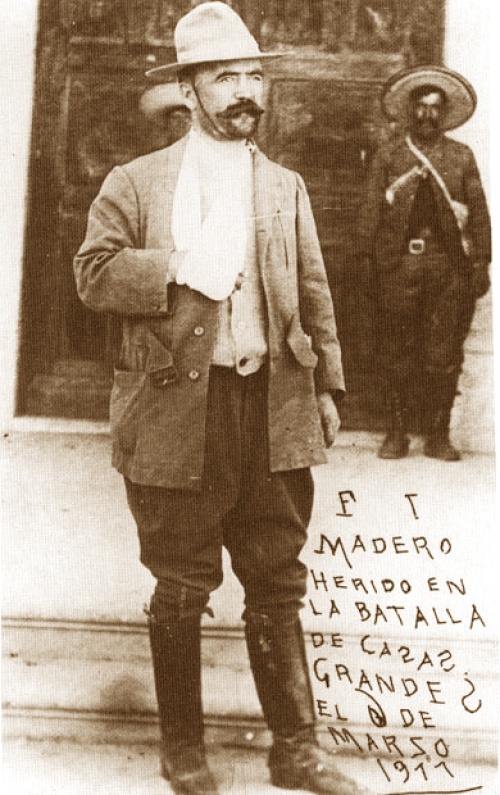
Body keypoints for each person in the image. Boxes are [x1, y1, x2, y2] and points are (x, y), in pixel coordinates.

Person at [74, 4, 368, 794]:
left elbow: (313, 291)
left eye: (254, 77)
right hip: (176, 414)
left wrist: (327, 386)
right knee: (181, 580)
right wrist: (173, 265)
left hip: (272, 407)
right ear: (189, 90)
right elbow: (92, 274)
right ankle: (184, 750)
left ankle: (296, 749)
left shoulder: (284, 186)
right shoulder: (136, 182)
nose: (246, 92)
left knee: (277, 576)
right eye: (226, 78)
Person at [358, 66, 491, 460]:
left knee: (443, 355)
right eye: (421, 106)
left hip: (448, 271)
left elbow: (479, 214)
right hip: (400, 268)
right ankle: (396, 433)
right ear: (409, 110)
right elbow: (370, 211)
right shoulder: (389, 155)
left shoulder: (460, 156)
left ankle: (438, 436)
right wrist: (366, 260)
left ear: (444, 114)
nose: (427, 115)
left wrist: (481, 263)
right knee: (395, 352)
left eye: (435, 108)